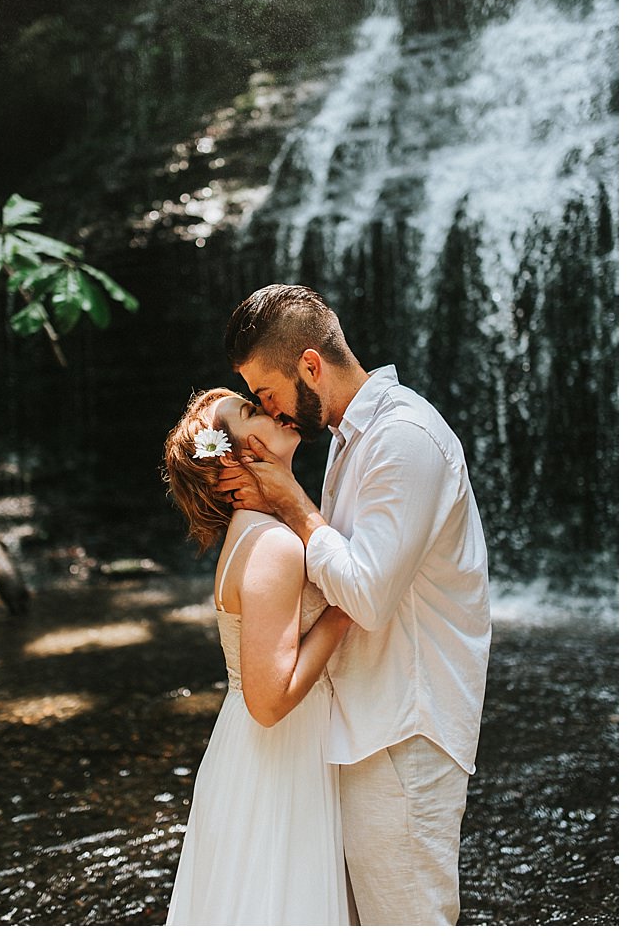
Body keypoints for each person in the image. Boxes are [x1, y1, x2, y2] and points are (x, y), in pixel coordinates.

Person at [217, 284, 492, 926]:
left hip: (404, 725)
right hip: (364, 723)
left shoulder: (405, 439)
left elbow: (365, 594)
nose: (271, 412)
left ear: (310, 366)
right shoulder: (349, 436)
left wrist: (290, 502)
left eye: (268, 393)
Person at [161, 386, 352, 925]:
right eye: (251, 413)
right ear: (232, 462)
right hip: (276, 756)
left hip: (252, 753)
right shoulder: (273, 545)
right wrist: (345, 611)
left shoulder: (256, 535)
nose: (272, 409)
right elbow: (268, 703)